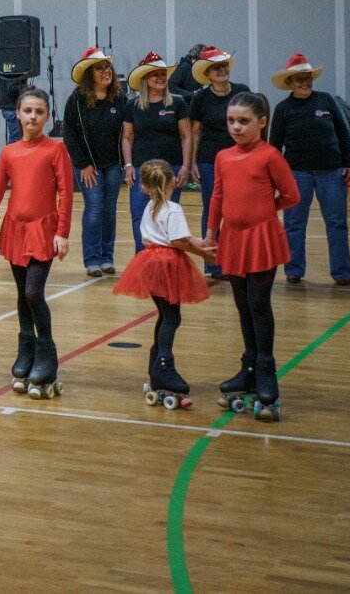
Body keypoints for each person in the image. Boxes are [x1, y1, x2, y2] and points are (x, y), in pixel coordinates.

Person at [0, 88, 72, 400]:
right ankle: (26, 351)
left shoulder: (56, 150)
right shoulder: (9, 152)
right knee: (21, 295)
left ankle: (47, 354)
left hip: (44, 231)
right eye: (27, 111)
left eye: (39, 112)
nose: (33, 117)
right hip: (15, 229)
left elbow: (66, 192)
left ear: (47, 116)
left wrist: (62, 233)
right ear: (17, 113)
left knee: (33, 292)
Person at [208, 92, 301, 421]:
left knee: (259, 303)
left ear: (262, 122)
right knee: (242, 304)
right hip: (232, 239)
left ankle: (266, 370)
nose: (235, 126)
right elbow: (217, 195)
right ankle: (248, 367)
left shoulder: (270, 156)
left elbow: (291, 194)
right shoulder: (223, 156)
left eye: (243, 121)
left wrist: (265, 211)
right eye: (231, 120)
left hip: (261, 238)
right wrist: (210, 233)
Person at [112, 160, 217, 408]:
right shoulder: (172, 208)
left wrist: (200, 242)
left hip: (150, 262)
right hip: (168, 264)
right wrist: (203, 254)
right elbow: (177, 240)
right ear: (172, 182)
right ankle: (163, 367)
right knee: (172, 318)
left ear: (145, 187)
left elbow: (178, 236)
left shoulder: (150, 206)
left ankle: (156, 364)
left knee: (164, 315)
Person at [268, 53, 350, 286]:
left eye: (307, 78)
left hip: (332, 172)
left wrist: (348, 162)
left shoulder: (326, 100)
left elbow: (344, 133)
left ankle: (342, 273)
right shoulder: (283, 108)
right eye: (299, 79)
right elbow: (274, 146)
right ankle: (294, 270)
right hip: (296, 174)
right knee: (295, 223)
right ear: (290, 83)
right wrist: (274, 177)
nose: (305, 83)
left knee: (337, 222)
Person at [62, 48, 126, 278]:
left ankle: (107, 258)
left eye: (107, 67)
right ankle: (92, 260)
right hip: (88, 166)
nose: (106, 71)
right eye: (100, 68)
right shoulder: (76, 100)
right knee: (93, 210)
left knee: (109, 211)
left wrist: (126, 164)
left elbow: (127, 132)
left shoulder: (119, 98)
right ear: (90, 74)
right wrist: (83, 164)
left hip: (114, 166)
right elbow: (69, 134)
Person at [186, 46, 248, 278]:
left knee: (240, 211)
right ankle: (213, 263)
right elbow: (194, 132)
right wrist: (192, 163)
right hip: (209, 161)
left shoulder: (242, 92)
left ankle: (237, 260)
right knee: (212, 210)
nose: (222, 70)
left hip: (241, 161)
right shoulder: (200, 98)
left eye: (224, 66)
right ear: (208, 74)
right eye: (216, 68)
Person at [122, 51, 192, 252]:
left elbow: (186, 136)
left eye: (163, 74)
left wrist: (186, 167)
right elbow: (127, 138)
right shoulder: (132, 105)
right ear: (145, 79)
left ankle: (166, 257)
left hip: (172, 168)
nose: (161, 78)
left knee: (167, 214)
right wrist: (128, 166)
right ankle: (142, 257)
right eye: (156, 74)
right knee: (138, 213)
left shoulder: (177, 103)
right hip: (141, 169)